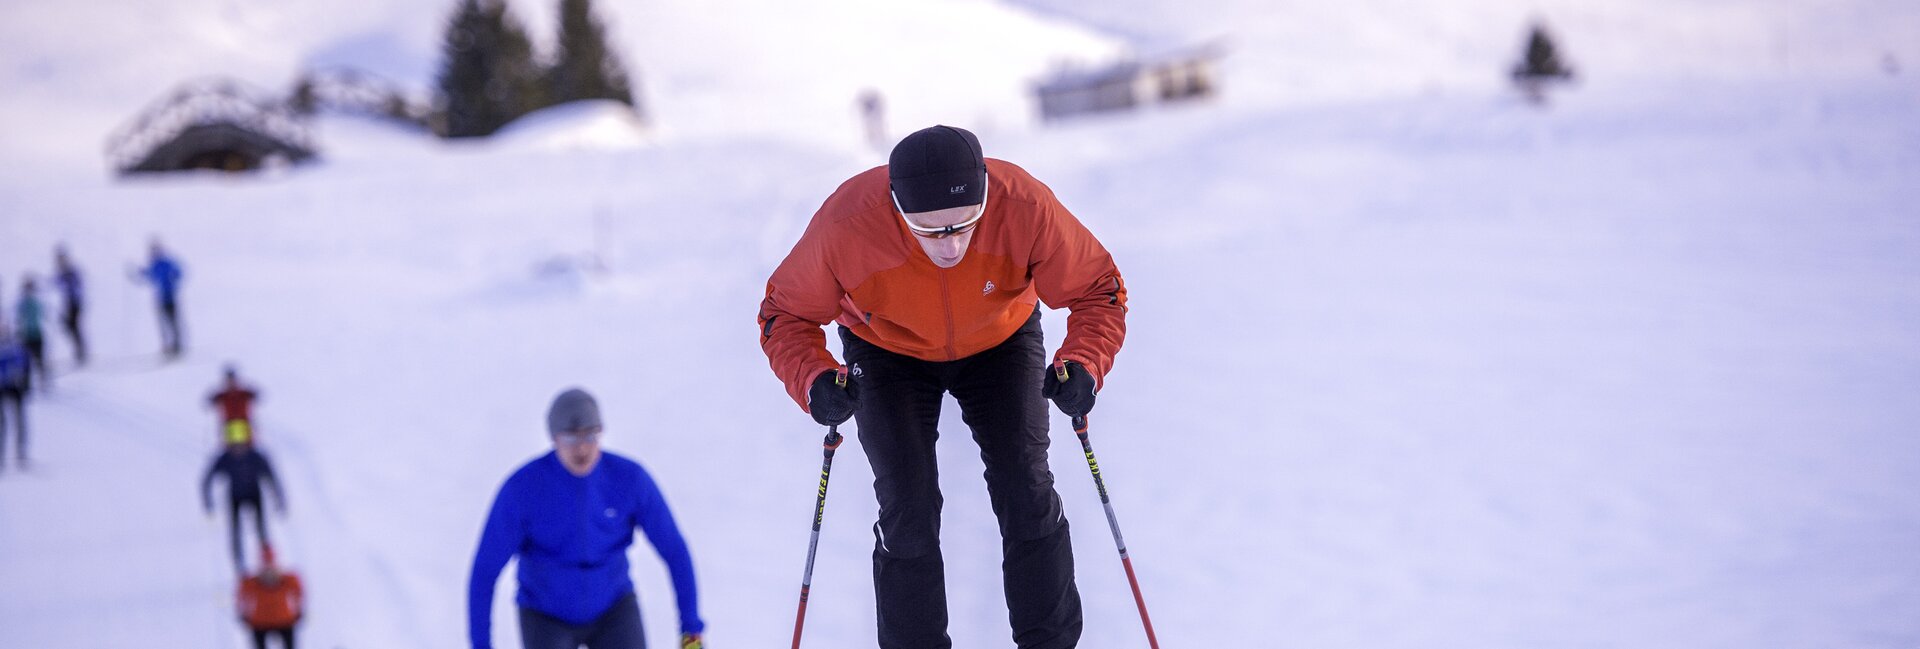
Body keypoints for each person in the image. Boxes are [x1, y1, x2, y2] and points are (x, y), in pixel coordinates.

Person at [758, 124, 1127, 649]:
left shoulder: (1024, 204)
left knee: (1026, 485)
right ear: (895, 208)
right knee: (907, 507)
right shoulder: (846, 224)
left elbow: (1098, 288)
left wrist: (1084, 363)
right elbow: (784, 314)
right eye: (928, 232)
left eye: (964, 225)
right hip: (887, 350)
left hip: (1000, 338)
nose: (951, 246)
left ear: (985, 196)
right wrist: (814, 379)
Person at [468, 388, 705, 649]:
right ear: (554, 438)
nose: (582, 448)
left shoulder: (630, 480)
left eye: (591, 436)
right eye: (571, 438)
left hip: (613, 610)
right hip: (546, 616)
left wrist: (691, 631)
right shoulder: (522, 490)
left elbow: (675, 551)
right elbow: (484, 571)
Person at [202, 442, 286, 575]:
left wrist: (280, 499)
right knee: (236, 531)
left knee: (261, 531)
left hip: (254, 494)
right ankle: (239, 567)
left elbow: (272, 478)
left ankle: (267, 565)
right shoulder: (225, 458)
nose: (238, 447)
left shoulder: (255, 457)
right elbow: (207, 479)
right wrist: (208, 502)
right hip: (235, 497)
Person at [237, 545, 304, 649]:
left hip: (284, 620)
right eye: (266, 568)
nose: (269, 573)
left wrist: (298, 610)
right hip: (260, 622)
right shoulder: (251, 582)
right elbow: (241, 597)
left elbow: (299, 593)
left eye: (272, 568)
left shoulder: (288, 580)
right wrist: (244, 613)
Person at [133, 239, 185, 358]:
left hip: (170, 296)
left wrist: (173, 281)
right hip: (160, 298)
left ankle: (177, 346)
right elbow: (148, 275)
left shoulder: (166, 262)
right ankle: (167, 346)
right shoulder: (154, 264)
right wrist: (136, 272)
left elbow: (178, 272)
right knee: (163, 323)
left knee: (173, 322)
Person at [209, 365, 262, 446]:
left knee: (247, 445)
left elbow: (256, 395)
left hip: (243, 422)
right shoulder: (223, 394)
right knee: (231, 446)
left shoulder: (243, 393)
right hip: (230, 423)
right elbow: (211, 401)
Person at [0, 323, 28, 471]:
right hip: (2, 388)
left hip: (15, 388)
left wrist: (22, 378)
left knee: (19, 420)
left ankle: (21, 453)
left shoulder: (14, 345)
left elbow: (23, 362)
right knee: (2, 424)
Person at [53, 245, 87, 365]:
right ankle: (80, 352)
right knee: (70, 326)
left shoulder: (70, 270)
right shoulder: (62, 271)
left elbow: (78, 284)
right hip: (69, 302)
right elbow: (56, 282)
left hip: (75, 301)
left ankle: (81, 353)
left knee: (73, 326)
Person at [15, 275, 48, 392]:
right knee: (26, 362)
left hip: (36, 333)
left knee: (39, 360)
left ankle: (43, 381)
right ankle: (26, 383)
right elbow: (18, 318)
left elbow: (44, 315)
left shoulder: (36, 301)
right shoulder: (21, 302)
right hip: (27, 335)